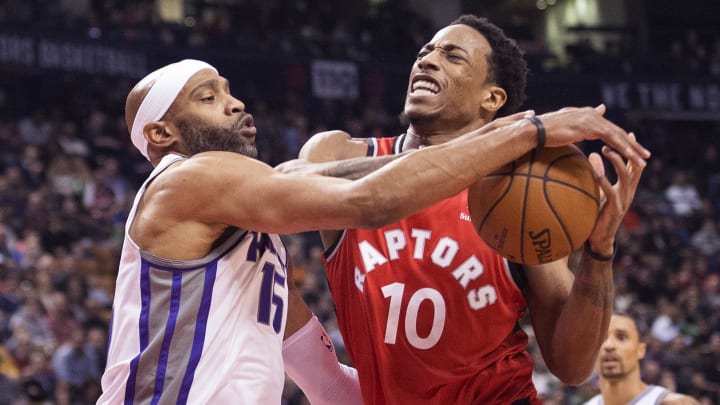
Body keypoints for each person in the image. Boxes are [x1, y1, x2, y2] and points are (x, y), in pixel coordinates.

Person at [95, 59, 646, 404]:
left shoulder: (252, 243)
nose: (235, 102)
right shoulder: (186, 178)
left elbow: (326, 381)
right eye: (208, 97)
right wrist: (531, 130)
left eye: (228, 89)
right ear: (163, 132)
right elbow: (370, 199)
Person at [280, 15, 649, 404]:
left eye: (452, 56)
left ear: (492, 98)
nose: (427, 60)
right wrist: (516, 136)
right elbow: (290, 187)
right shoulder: (340, 152)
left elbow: (572, 367)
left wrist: (600, 250)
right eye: (425, 52)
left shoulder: (515, 194)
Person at [583, 313, 699, 405]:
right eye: (602, 339)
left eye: (621, 337)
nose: (609, 345)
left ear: (640, 350)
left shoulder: (673, 402)